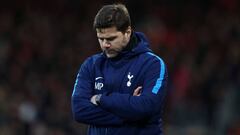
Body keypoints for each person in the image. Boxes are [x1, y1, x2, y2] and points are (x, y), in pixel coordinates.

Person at [71, 3, 168, 135]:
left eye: (111, 38)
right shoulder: (91, 65)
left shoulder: (153, 64)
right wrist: (130, 113)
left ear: (127, 32)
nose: (105, 45)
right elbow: (79, 111)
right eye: (101, 39)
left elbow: (147, 106)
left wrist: (101, 99)